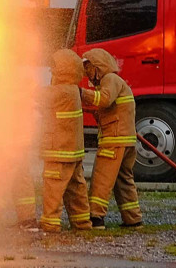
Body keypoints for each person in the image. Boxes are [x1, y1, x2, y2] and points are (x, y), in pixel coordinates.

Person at [81, 48, 143, 229]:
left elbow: (105, 100)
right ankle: (133, 219)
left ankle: (96, 218)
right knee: (124, 181)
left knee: (102, 179)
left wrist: (81, 93)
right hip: (125, 141)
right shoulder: (116, 81)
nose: (87, 74)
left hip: (114, 140)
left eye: (88, 68)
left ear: (98, 67)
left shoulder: (110, 79)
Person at [38, 49, 92, 232]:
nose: (51, 71)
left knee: (53, 187)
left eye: (54, 68)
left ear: (64, 70)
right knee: (76, 189)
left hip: (59, 150)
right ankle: (82, 223)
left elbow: (41, 97)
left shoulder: (61, 91)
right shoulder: (72, 90)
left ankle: (50, 223)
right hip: (73, 152)